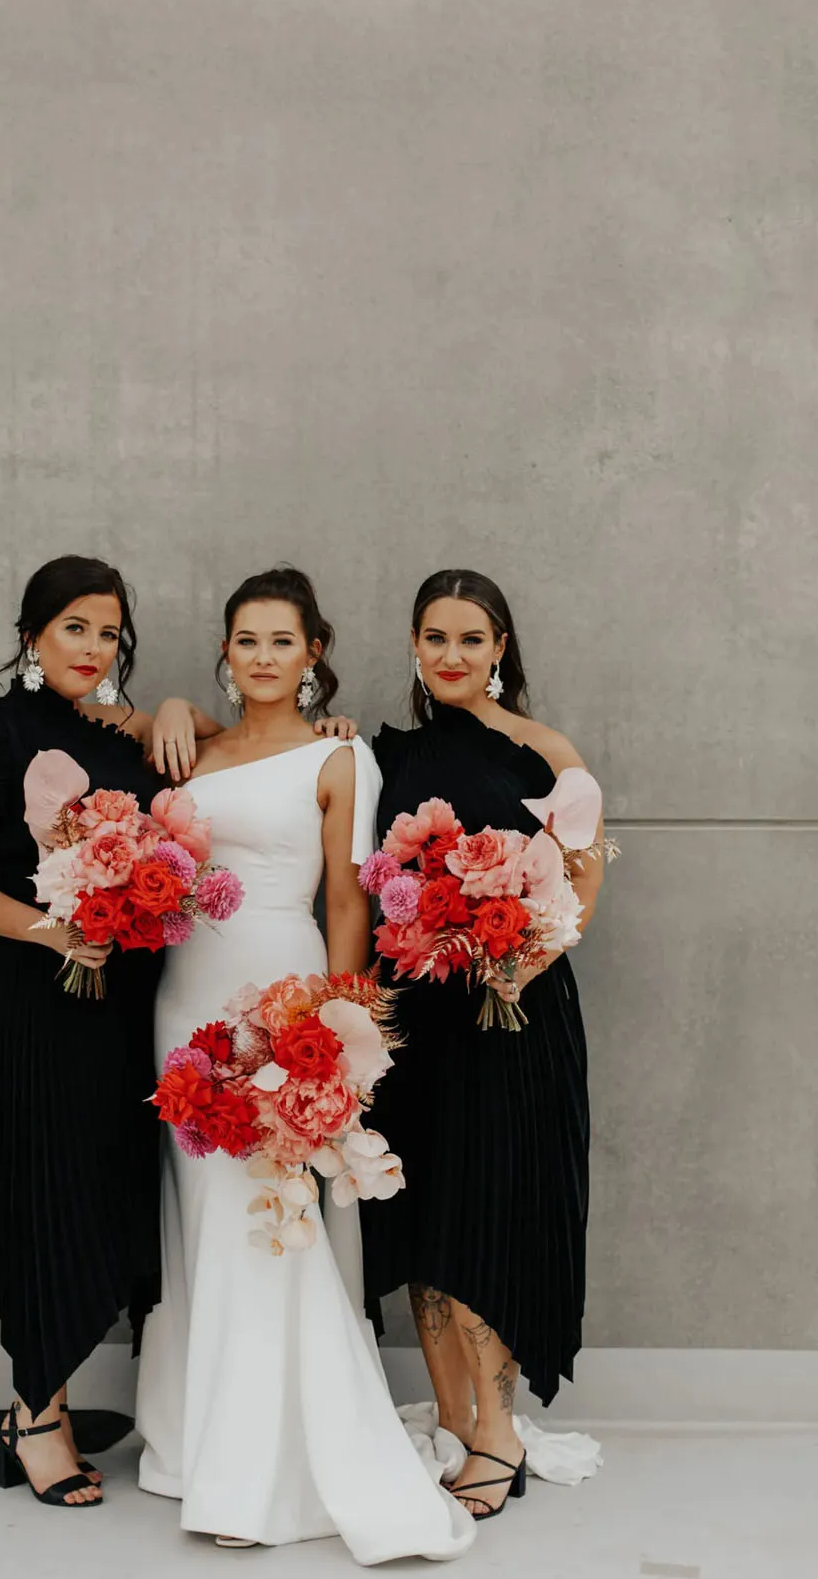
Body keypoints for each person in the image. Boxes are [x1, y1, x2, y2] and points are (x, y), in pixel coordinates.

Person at [135, 567, 475, 1563]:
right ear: (226, 651)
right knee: (200, 1214)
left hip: (280, 998)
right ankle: (199, 1438)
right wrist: (164, 707)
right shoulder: (192, 746)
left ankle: (265, 1471)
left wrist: (331, 1032)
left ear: (313, 652)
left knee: (268, 1218)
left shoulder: (342, 759)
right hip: (181, 1000)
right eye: (245, 640)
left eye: (281, 641)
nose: (262, 657)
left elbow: (344, 903)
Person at [0, 554, 205, 1507]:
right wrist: (58, 930)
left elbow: (208, 734)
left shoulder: (116, 730)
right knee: (40, 1192)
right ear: (32, 633)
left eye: (110, 631)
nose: (93, 646)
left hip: (119, 1015)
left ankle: (48, 1397)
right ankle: (38, 1413)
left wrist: (166, 706)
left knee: (101, 1193)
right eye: (75, 626)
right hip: (27, 1005)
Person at [361, 569, 604, 1522]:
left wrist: (522, 967)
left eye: (471, 637)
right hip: (416, 1016)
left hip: (513, 1014)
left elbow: (583, 883)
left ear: (500, 647)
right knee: (425, 1223)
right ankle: (459, 1422)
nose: (452, 655)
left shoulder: (545, 752)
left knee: (487, 1221)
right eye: (435, 638)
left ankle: (499, 1436)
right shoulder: (384, 752)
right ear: (413, 647)